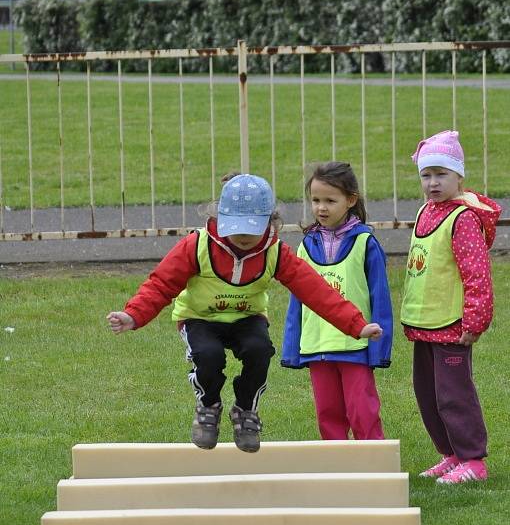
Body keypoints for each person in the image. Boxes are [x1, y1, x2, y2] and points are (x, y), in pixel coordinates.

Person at [107, 173, 382, 453]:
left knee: (259, 350)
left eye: (252, 228)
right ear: (219, 217)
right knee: (209, 356)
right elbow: (161, 284)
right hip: (200, 318)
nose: (243, 236)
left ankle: (246, 410)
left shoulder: (275, 252)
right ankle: (208, 405)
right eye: (235, 227)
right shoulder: (197, 245)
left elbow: (317, 292)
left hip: (247, 319)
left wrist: (356, 325)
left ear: (270, 221)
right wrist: (134, 315)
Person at [401, 130, 501, 483]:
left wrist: (475, 320)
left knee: (453, 396)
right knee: (427, 395)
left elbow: (477, 274)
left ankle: (473, 460)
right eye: (426, 175)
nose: (433, 183)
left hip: (452, 327)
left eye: (441, 174)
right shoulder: (426, 211)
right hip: (424, 324)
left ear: (460, 175)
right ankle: (451, 454)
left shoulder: (463, 219)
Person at [281, 161, 392, 440]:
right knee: (327, 413)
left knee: (362, 410)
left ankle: (374, 465)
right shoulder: (306, 245)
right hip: (318, 345)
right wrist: (292, 347)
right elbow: (297, 301)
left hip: (355, 344)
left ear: (350, 200)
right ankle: (338, 467)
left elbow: (380, 297)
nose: (321, 208)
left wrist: (380, 348)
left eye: (330, 200)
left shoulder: (365, 243)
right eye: (316, 200)